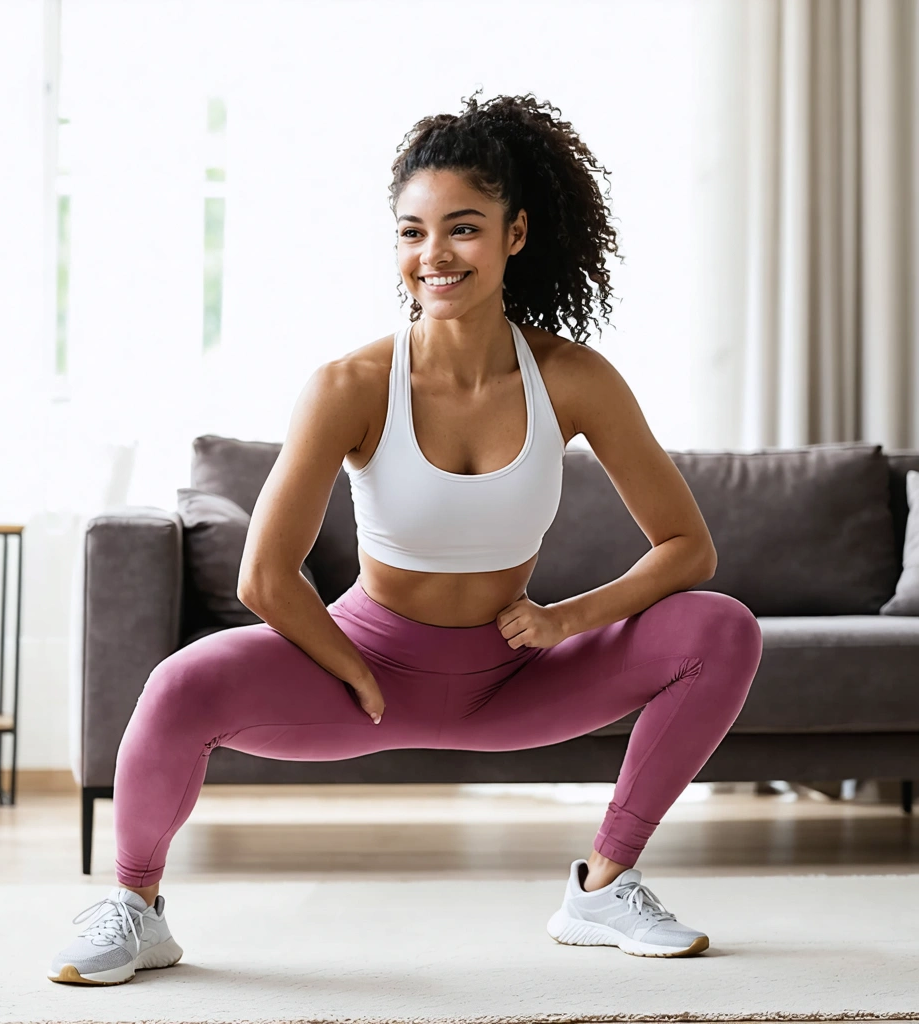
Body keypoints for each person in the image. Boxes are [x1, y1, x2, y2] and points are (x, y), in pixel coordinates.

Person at [48, 90, 763, 985]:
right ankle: (136, 906)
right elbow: (266, 578)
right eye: (411, 232)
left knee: (720, 625)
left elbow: (685, 548)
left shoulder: (573, 379)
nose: (434, 255)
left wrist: (568, 620)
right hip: (365, 667)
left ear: (516, 234)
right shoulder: (351, 383)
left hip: (513, 675)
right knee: (179, 684)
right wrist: (349, 666)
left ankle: (602, 889)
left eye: (463, 228)